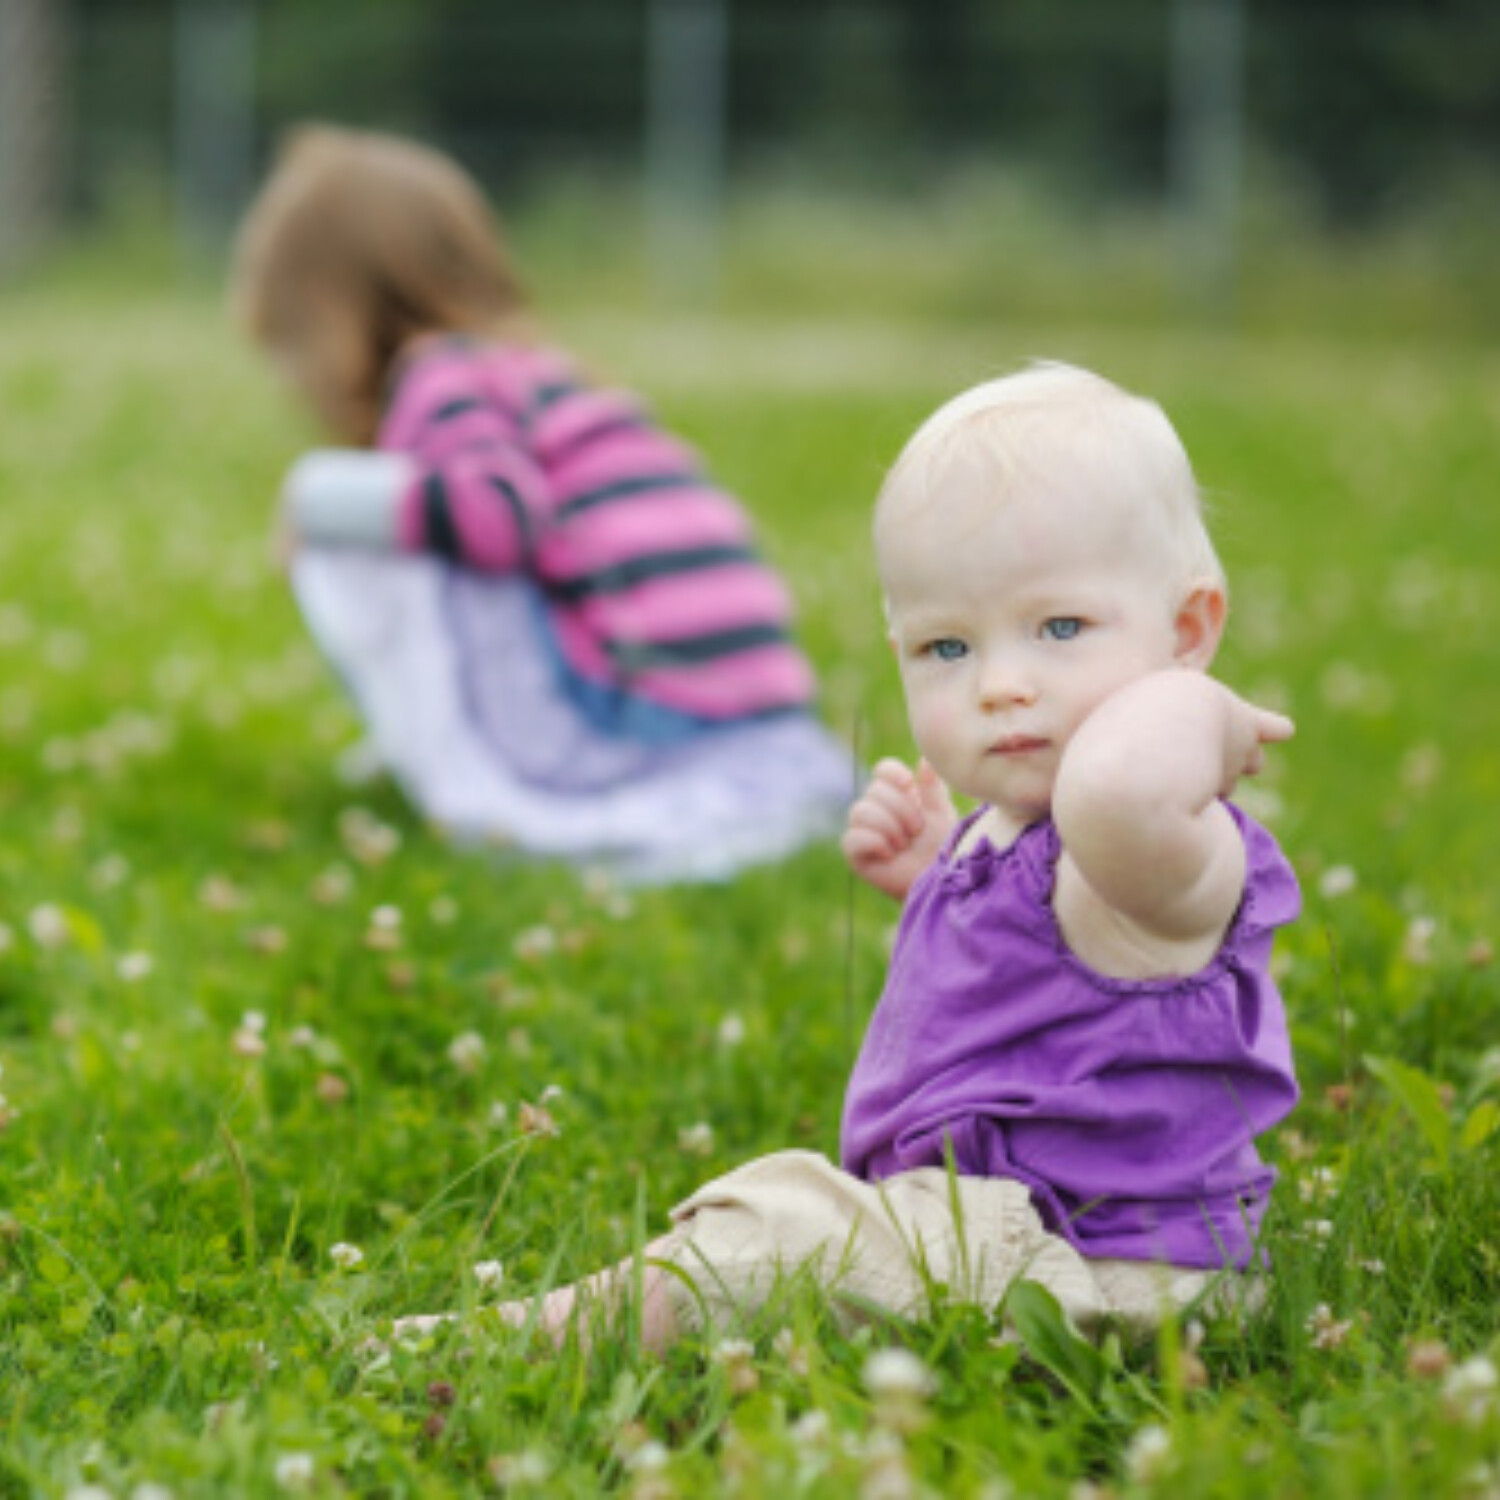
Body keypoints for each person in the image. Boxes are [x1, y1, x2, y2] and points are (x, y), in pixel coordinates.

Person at [392, 362, 1301, 1350]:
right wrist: (939, 873)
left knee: (780, 1236)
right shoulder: (1033, 839)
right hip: (997, 1239)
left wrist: (1193, 706)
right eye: (946, 648)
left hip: (1116, 1271)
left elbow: (1116, 795)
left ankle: (499, 1342)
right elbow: (1049, 969)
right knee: (796, 1229)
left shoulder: (1167, 849)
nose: (999, 683)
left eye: (1060, 627)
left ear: (1188, 630)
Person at [230, 125, 855, 885]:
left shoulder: (440, 376)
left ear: (335, 316)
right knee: (392, 507)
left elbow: (497, 515)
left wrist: (315, 498)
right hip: (752, 705)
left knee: (349, 517)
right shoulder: (542, 374)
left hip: (640, 711)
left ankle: (450, 737)